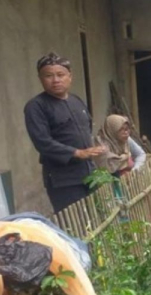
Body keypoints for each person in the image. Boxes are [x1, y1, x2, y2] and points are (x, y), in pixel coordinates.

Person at [24, 52, 106, 213]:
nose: (55, 80)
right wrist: (76, 152)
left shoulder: (76, 101)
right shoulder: (36, 106)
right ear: (40, 78)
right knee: (75, 222)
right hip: (64, 180)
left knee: (98, 219)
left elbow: (87, 129)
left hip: (89, 174)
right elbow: (42, 142)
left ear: (70, 76)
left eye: (60, 75)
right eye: (49, 76)